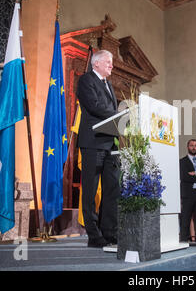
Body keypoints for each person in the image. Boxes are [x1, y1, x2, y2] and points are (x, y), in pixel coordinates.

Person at [76, 50, 120, 248]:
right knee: (90, 191)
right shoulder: (86, 80)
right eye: (108, 62)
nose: (111, 65)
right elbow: (94, 106)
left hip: (110, 144)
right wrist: (119, 114)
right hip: (93, 143)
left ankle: (110, 232)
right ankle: (94, 235)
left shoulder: (108, 84)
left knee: (112, 190)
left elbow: (110, 111)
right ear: (96, 64)